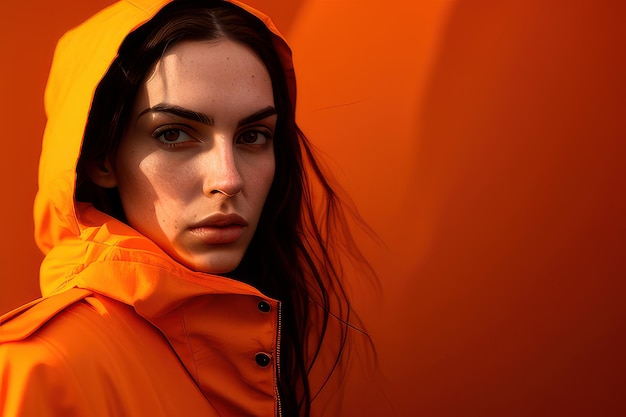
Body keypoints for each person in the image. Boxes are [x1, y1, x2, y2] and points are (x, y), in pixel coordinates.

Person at [0, 0, 376, 416]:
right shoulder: (37, 367)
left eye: (253, 136)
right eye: (174, 133)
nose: (228, 179)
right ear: (100, 158)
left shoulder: (263, 340)